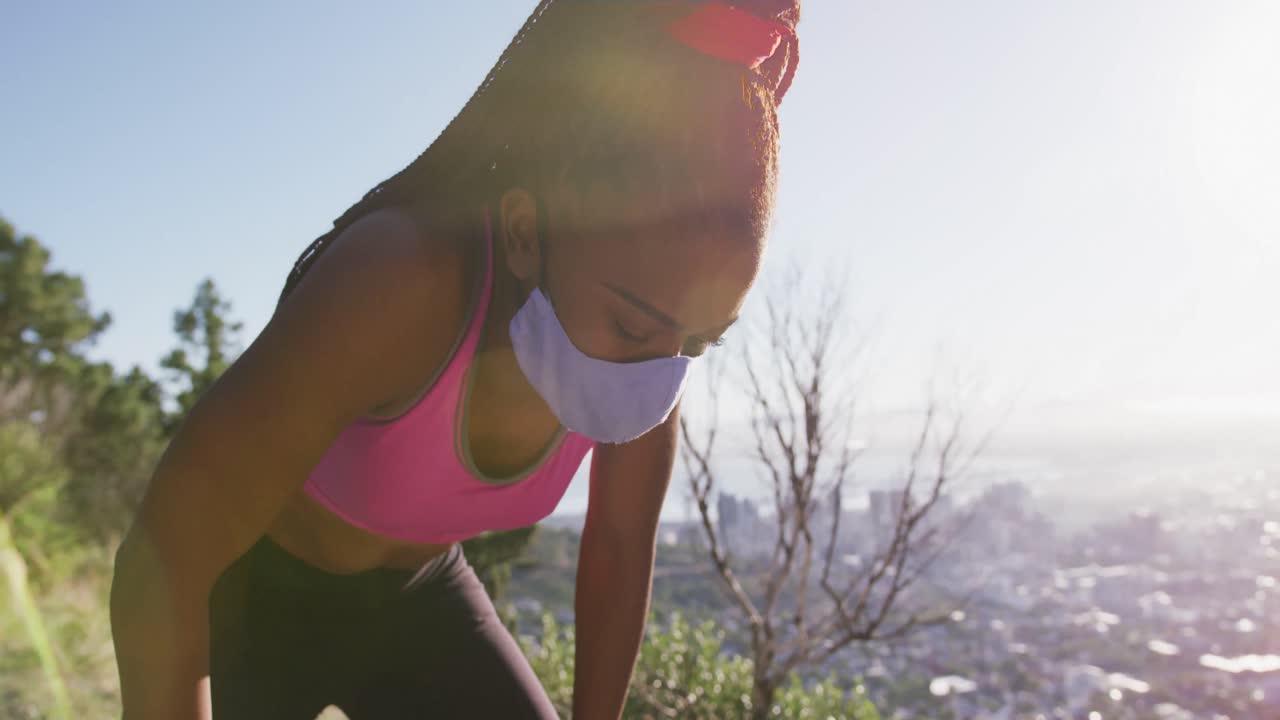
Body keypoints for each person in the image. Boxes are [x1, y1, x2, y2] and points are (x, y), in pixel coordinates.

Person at [109, 1, 801, 718]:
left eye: (699, 342)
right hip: (256, 602)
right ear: (527, 230)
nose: (657, 376)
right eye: (632, 326)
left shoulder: (651, 347)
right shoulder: (402, 281)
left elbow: (620, 548)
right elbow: (164, 559)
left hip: (423, 600)